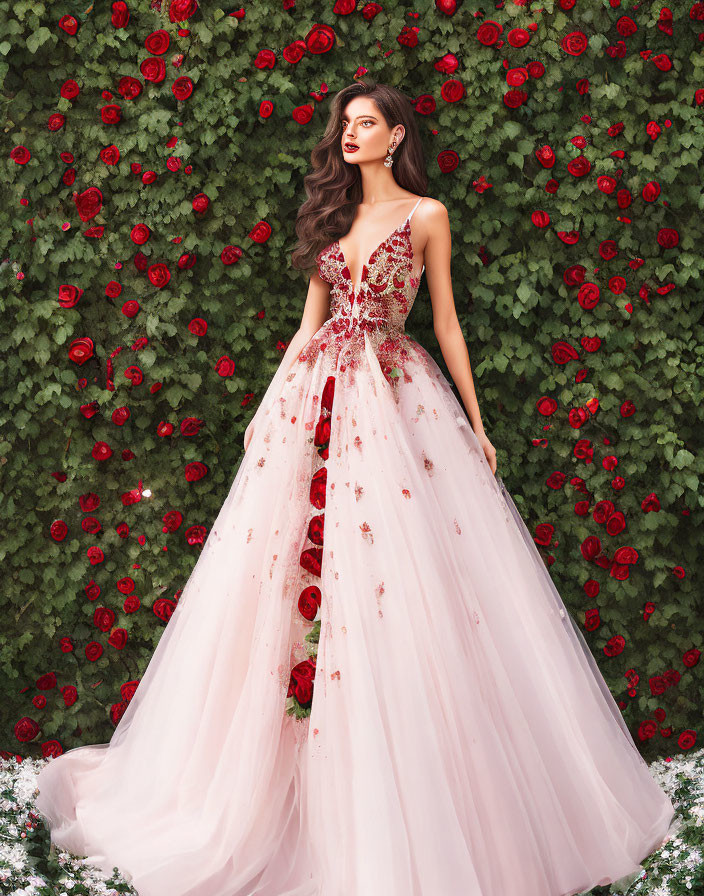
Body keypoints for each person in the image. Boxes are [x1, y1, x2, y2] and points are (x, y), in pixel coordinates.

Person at [35, 79, 680, 896]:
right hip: (316, 399)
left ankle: (397, 787)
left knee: (392, 576)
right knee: (283, 577)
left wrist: (477, 426)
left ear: (395, 134)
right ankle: (266, 785)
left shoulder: (427, 216)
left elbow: (444, 322)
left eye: (365, 124)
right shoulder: (334, 221)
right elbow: (308, 325)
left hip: (394, 396)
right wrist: (269, 408)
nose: (350, 135)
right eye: (345, 124)